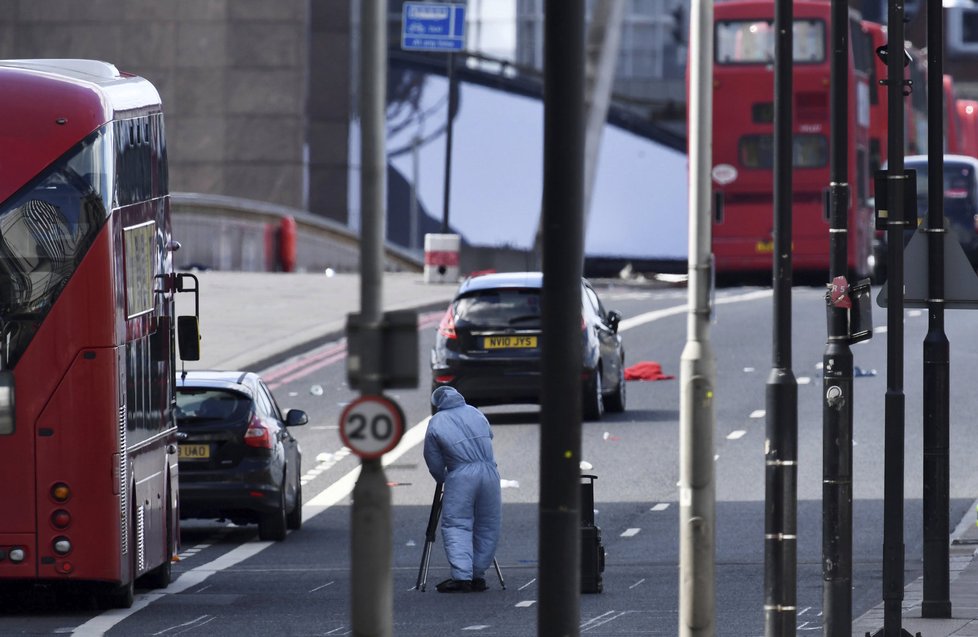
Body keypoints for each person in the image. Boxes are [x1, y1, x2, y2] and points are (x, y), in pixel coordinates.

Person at [424, 386, 502, 593]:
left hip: (460, 474)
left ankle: (461, 576)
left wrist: (442, 478)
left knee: (457, 524)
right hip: (489, 471)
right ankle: (478, 574)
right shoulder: (476, 412)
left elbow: (433, 460)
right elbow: (490, 436)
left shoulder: (437, 421)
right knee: (487, 524)